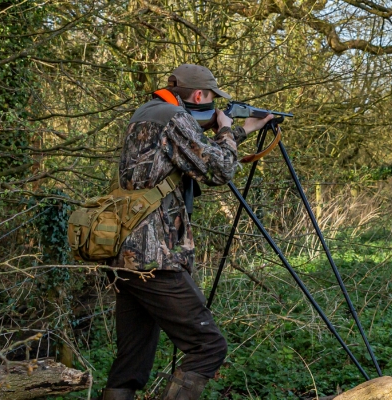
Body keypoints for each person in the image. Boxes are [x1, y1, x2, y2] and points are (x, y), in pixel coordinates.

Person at [103, 64, 273, 400]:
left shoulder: (150, 112)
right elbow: (219, 169)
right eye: (211, 97)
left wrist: (241, 130)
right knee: (208, 347)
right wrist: (225, 129)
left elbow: (191, 152)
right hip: (155, 257)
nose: (212, 103)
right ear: (199, 95)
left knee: (131, 361)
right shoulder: (172, 118)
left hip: (125, 254)